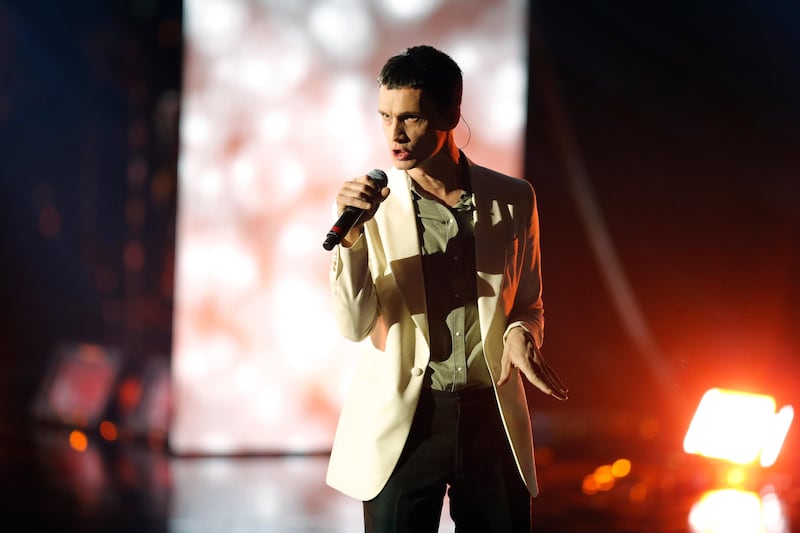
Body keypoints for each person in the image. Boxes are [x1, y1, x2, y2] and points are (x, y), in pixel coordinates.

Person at [325, 45, 568, 533]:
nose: (394, 134)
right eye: (385, 116)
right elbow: (353, 327)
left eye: (410, 118)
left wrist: (522, 332)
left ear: (451, 114)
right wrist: (349, 239)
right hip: (408, 420)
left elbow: (529, 302)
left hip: (490, 415)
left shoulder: (514, 198)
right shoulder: (370, 207)